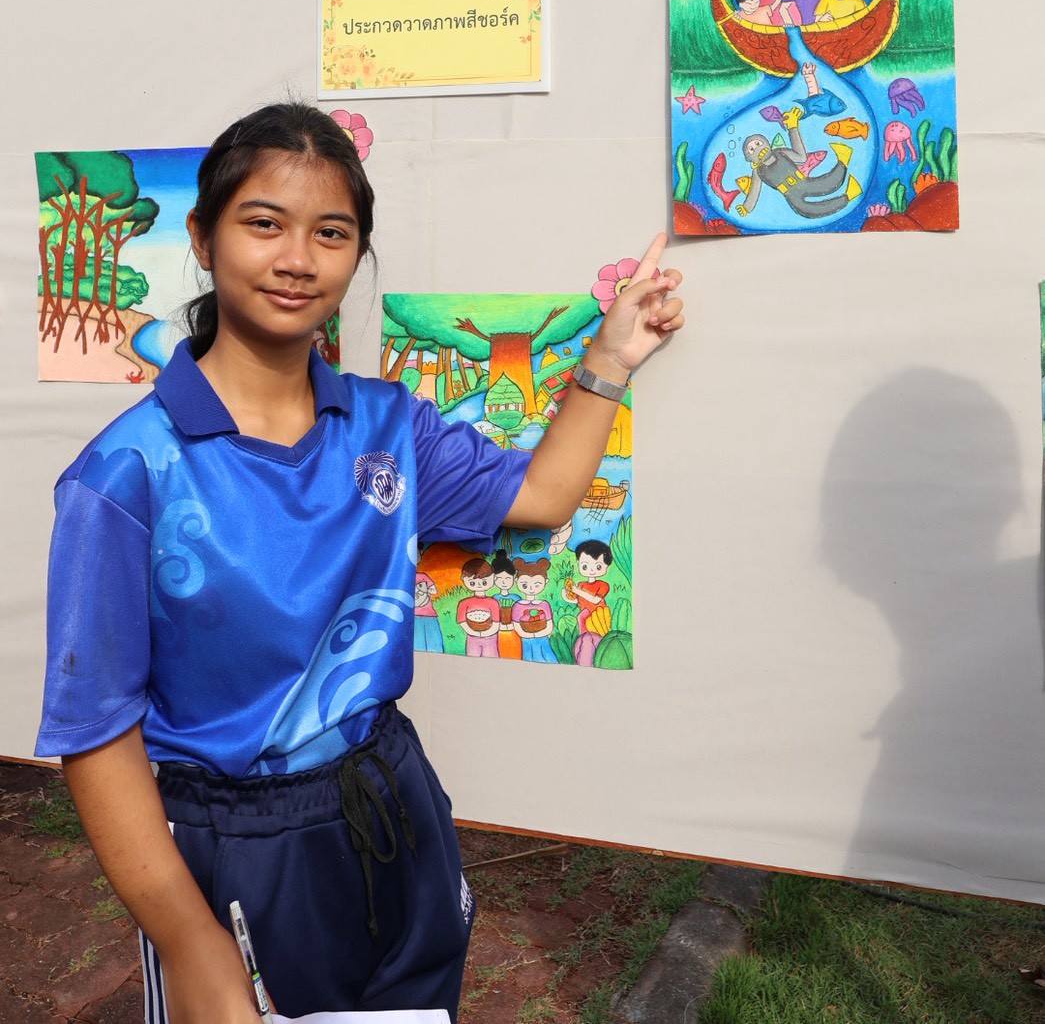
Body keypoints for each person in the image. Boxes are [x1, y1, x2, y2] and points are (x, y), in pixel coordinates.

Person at [35, 101, 686, 1024]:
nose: (298, 259)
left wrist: (609, 358)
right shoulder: (126, 474)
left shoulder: (389, 427)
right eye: (264, 223)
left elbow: (541, 496)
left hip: (391, 799)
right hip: (232, 845)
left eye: (331, 233)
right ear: (204, 237)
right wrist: (186, 938)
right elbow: (97, 731)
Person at [563, 540, 613, 665]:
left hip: (598, 617)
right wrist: (567, 596)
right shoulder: (581, 584)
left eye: (598, 567)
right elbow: (578, 601)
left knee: (597, 640)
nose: (591, 570)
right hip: (583, 617)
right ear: (578, 564)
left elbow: (595, 600)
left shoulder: (603, 585)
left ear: (606, 567)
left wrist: (577, 591)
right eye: (585, 566)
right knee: (585, 639)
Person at [511, 559, 558, 663]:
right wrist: (530, 635)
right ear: (516, 581)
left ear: (546, 582)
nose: (531, 589)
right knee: (529, 660)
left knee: (549, 659)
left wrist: (538, 634)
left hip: (543, 640)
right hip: (526, 641)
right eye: (525, 585)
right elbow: (517, 626)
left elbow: (550, 625)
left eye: (537, 585)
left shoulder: (544, 604)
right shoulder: (518, 606)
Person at [455, 557, 501, 657]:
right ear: (464, 580)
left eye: (484, 582)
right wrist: (474, 633)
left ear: (493, 578)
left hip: (490, 638)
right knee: (472, 659)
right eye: (472, 583)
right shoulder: (464, 603)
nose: (479, 585)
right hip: (472, 638)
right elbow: (462, 622)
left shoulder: (493, 603)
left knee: (491, 659)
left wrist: (485, 633)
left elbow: (496, 623)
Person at [490, 549, 522, 660]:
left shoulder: (516, 598)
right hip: (498, 633)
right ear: (494, 578)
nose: (503, 582)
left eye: (507, 578)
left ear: (514, 577)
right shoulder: (494, 599)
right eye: (499, 579)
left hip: (514, 632)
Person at [413, 571, 443, 654]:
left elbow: (434, 591)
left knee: (435, 644)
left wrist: (423, 589)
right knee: (418, 645)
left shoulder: (423, 576)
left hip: (430, 616)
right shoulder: (404, 576)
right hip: (415, 617)